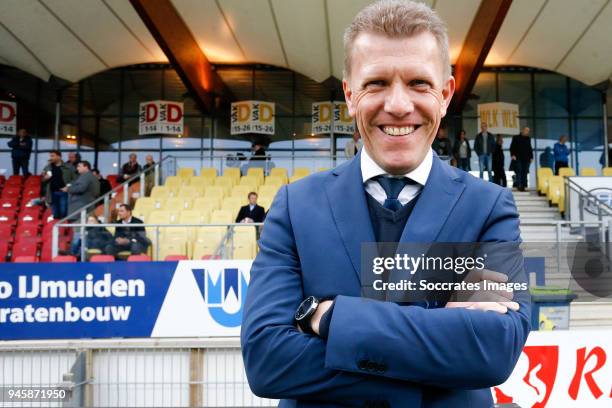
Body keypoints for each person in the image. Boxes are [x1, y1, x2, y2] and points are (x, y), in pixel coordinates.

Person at [241, 2, 529, 407]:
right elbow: (267, 359)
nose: (397, 105)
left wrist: (332, 318)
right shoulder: (295, 206)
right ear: (350, 94)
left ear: (445, 94)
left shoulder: (490, 207)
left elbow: (494, 350)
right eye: (376, 83)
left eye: (418, 83)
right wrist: (439, 350)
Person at [42, 151, 76, 219]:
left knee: (63, 213)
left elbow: (75, 179)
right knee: (55, 214)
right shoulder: (48, 167)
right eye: (50, 156)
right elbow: (42, 180)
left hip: (64, 193)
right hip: (52, 193)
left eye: (52, 156)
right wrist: (45, 178)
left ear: (59, 157)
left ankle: (64, 228)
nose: (51, 158)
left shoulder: (69, 166)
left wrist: (68, 186)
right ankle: (58, 229)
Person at [510, 127, 534, 192]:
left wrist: (531, 157)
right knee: (519, 171)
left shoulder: (528, 138)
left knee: (525, 172)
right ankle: (519, 185)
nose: (527, 132)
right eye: (526, 130)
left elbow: (530, 148)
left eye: (528, 131)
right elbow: (512, 147)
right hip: (518, 158)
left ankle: (524, 186)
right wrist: (512, 155)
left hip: (526, 158)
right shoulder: (516, 137)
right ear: (522, 130)